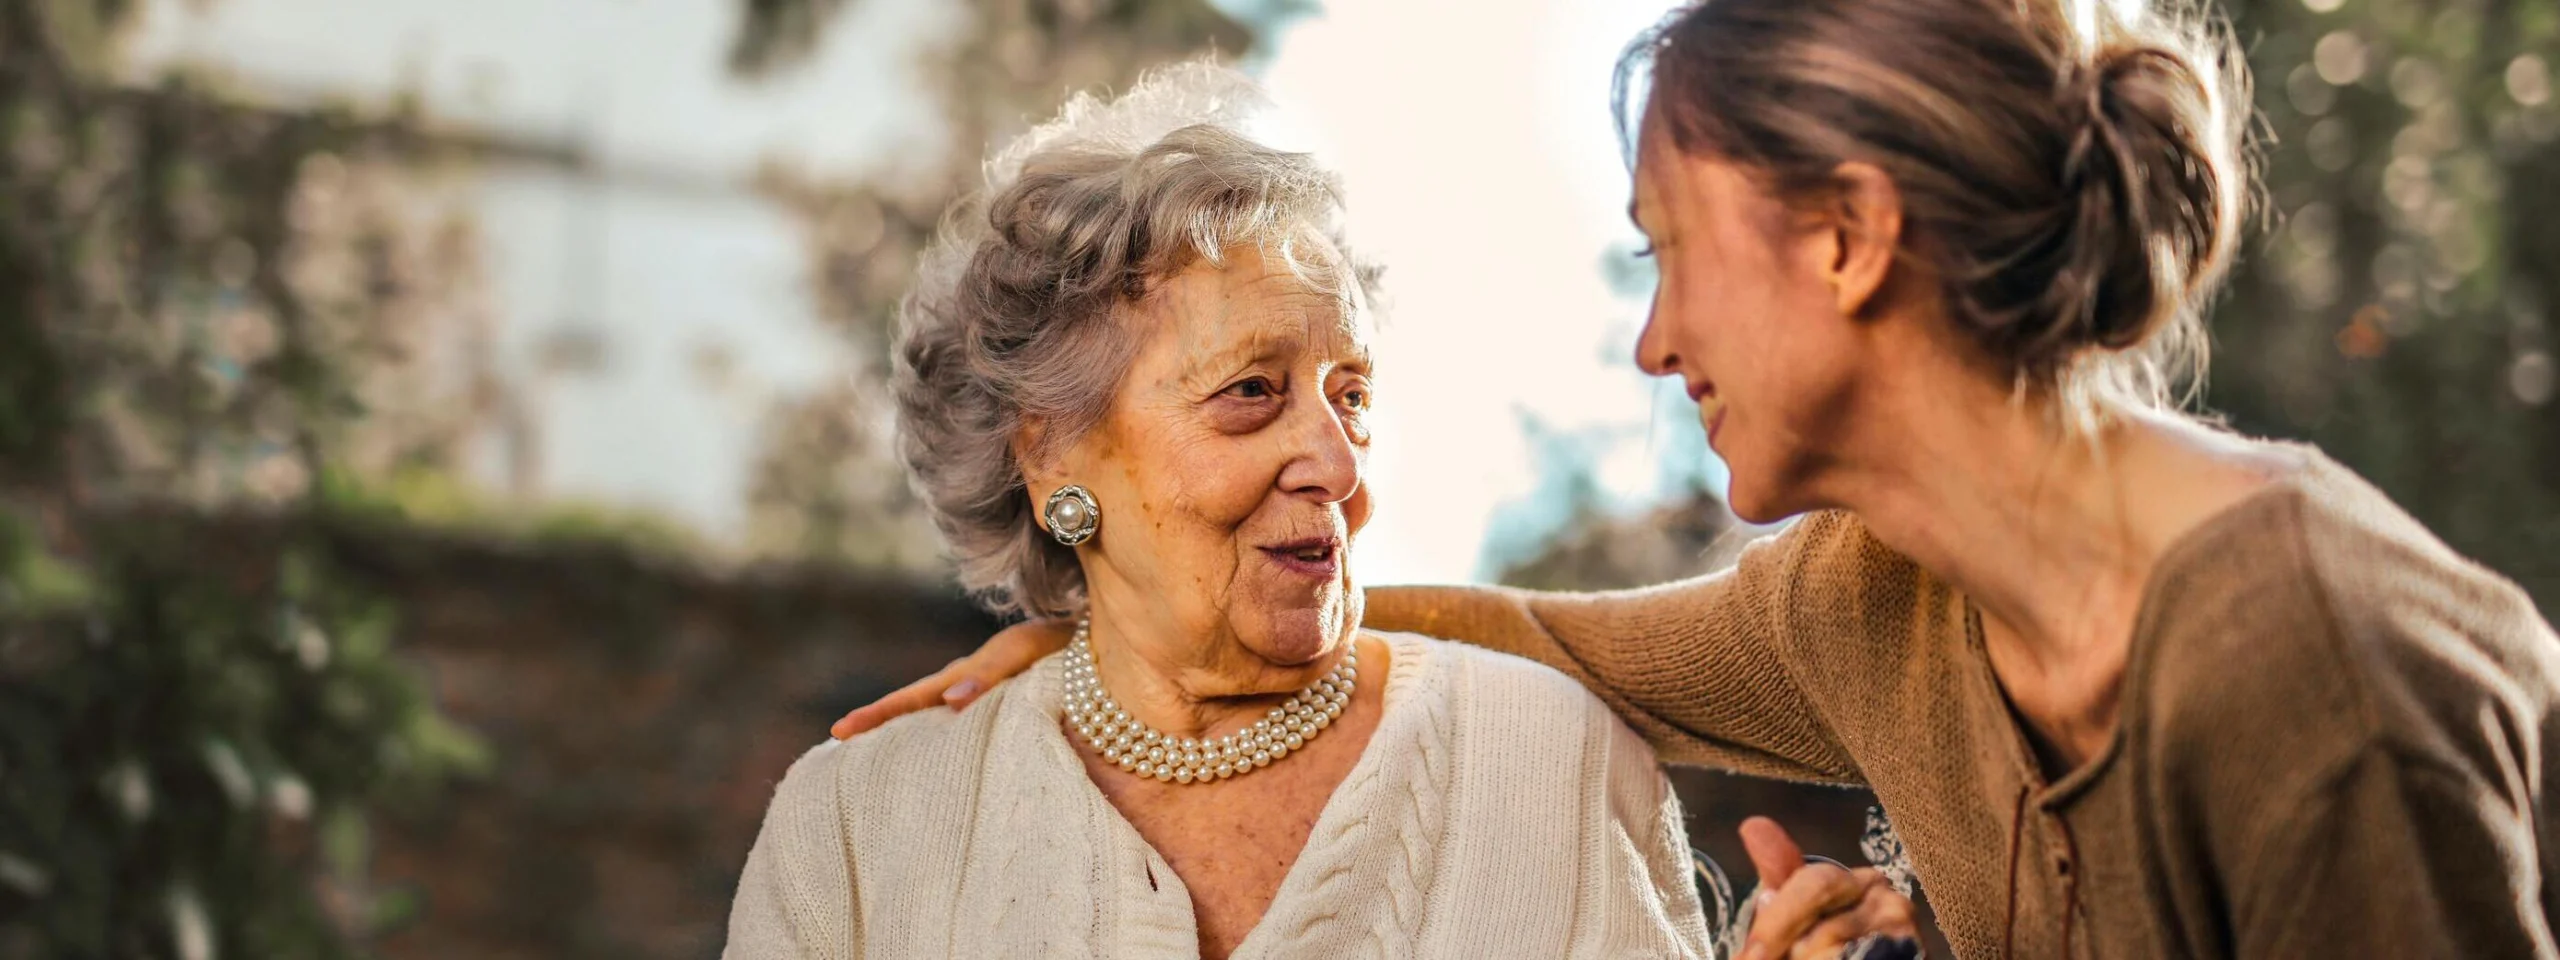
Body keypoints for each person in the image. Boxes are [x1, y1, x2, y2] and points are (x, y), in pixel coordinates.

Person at [830, 0, 2560, 957]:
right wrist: (1128, 638)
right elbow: (1546, 643)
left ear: (1847, 238)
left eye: (1670, 252)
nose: (1655, 343)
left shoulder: (2307, 666)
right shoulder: (1874, 601)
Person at [726, 62, 1918, 959]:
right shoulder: (859, 832)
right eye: (1251, 393)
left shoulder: (1548, 761)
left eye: (1350, 395)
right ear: (1050, 458)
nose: (1335, 461)